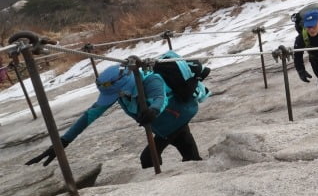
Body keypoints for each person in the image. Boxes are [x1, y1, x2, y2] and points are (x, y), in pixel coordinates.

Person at [25, 63, 202, 169]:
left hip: (175, 120)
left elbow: (159, 98)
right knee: (190, 155)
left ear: (124, 85)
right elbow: (89, 116)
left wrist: (153, 110)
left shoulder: (150, 80)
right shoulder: (121, 93)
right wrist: (62, 142)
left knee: (149, 158)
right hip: (166, 126)